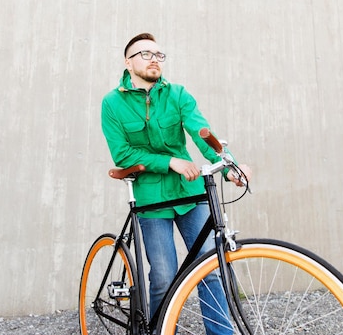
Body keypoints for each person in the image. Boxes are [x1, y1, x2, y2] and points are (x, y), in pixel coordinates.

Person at [101, 33, 251, 334]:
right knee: (165, 276)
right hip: (151, 199)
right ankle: (159, 329)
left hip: (189, 193)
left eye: (159, 54)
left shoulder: (178, 94)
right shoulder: (112, 103)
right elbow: (122, 153)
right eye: (145, 54)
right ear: (128, 62)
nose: (155, 58)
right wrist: (170, 162)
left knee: (209, 268)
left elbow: (201, 132)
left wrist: (229, 166)